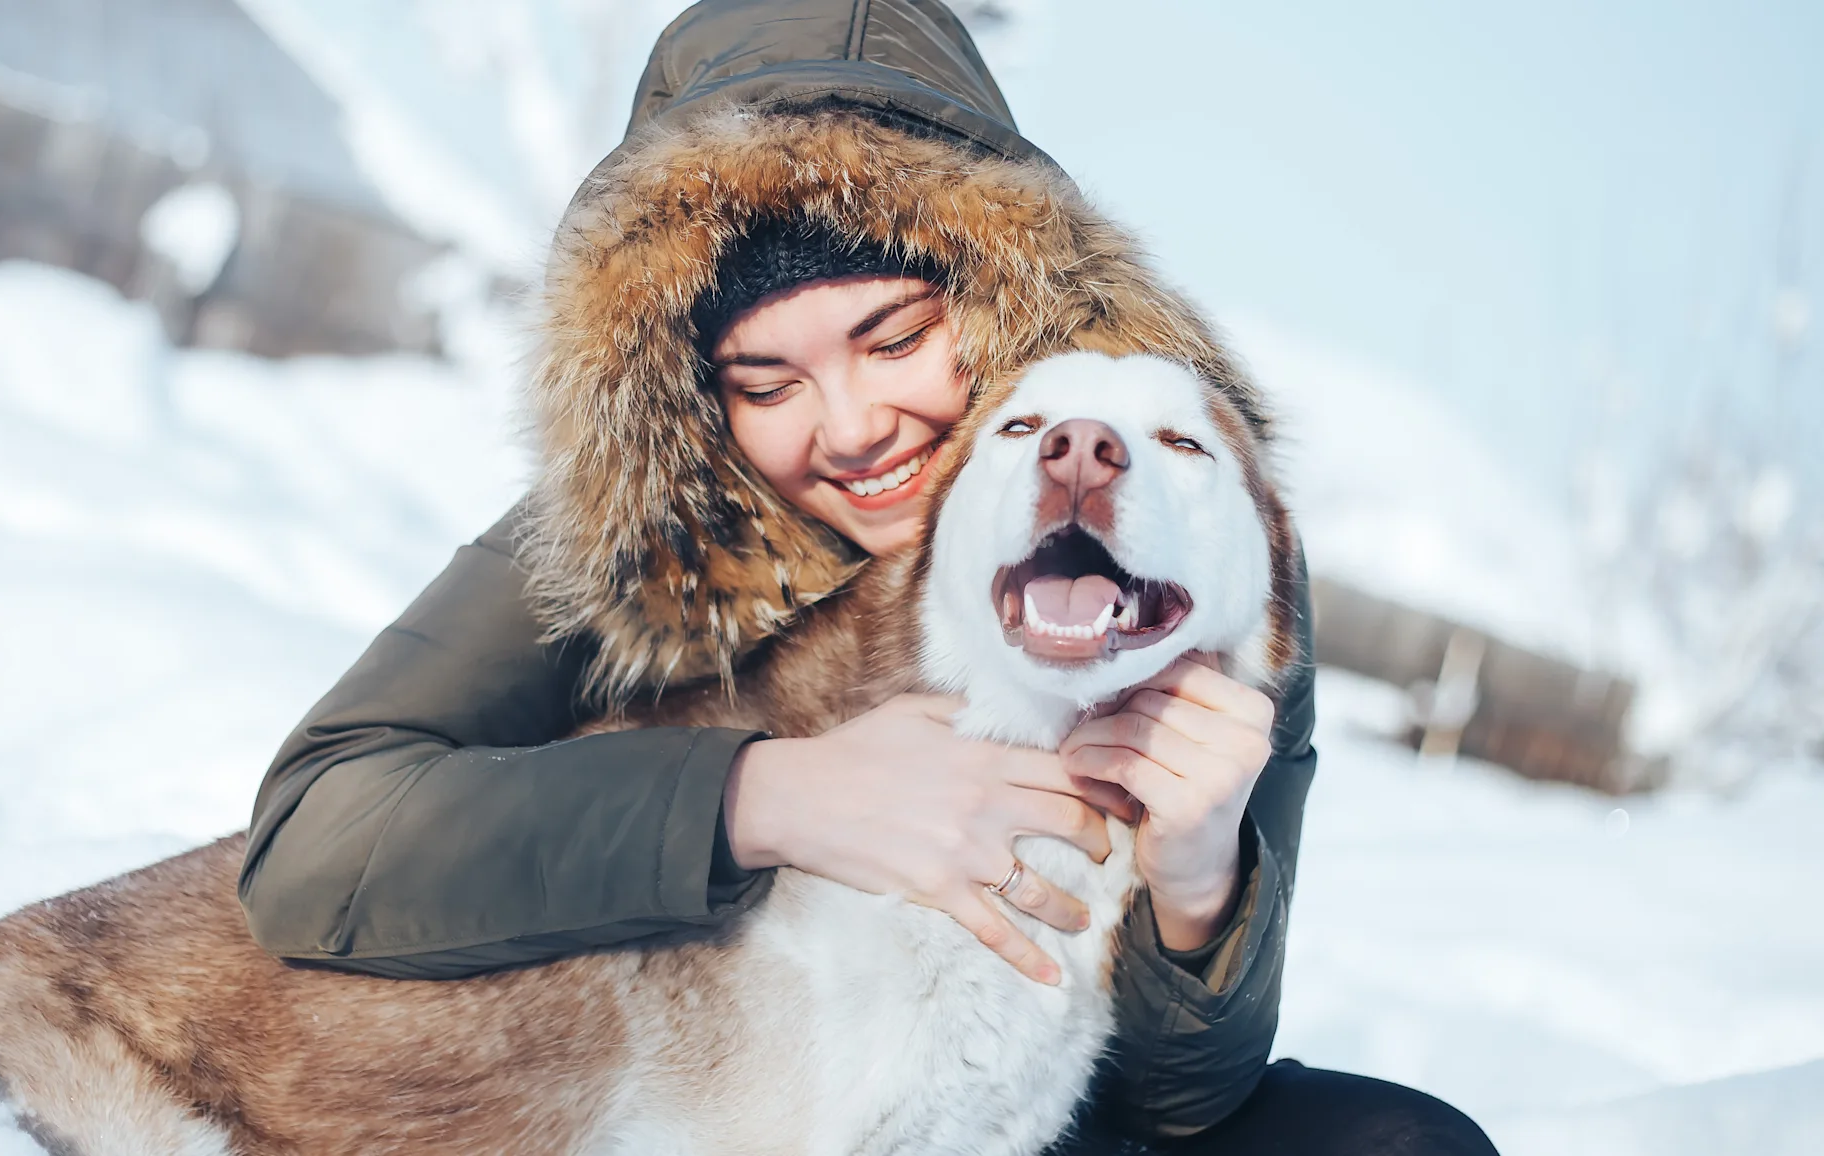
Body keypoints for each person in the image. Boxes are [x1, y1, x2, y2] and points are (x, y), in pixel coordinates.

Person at [239, 2, 1497, 1152]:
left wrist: (1201, 879)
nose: (846, 429)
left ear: (1005, 301)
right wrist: (760, 795)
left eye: (894, 338)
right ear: (690, 396)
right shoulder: (658, 508)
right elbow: (315, 834)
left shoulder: (1185, 534)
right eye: (764, 383)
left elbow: (1177, 1100)